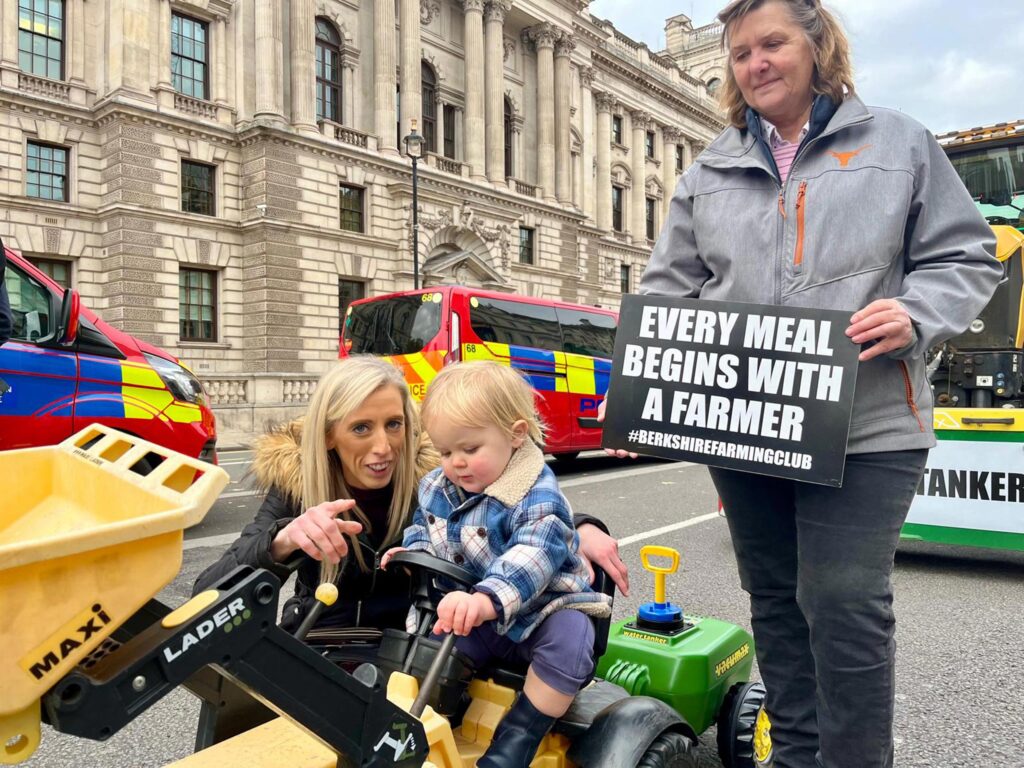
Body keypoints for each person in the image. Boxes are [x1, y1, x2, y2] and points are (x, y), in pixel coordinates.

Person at [606, 2, 1002, 767]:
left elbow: (969, 256)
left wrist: (916, 313)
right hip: (747, 428)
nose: (755, 63)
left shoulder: (901, 143)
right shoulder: (708, 170)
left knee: (844, 604)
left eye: (773, 44)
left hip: (870, 424)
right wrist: (642, 389)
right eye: (741, 51)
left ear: (817, 45)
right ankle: (795, 756)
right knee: (779, 605)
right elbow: (663, 293)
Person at [194, 355, 627, 637]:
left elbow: (519, 502)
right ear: (329, 436)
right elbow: (205, 592)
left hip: (416, 645)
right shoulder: (298, 485)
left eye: (394, 424)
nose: (383, 447)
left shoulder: (437, 478)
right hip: (320, 643)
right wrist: (283, 540)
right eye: (361, 428)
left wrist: (580, 526)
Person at [382, 361, 611, 768]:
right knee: (432, 644)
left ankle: (521, 732)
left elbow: (533, 557)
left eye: (470, 450)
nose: (456, 463)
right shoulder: (438, 484)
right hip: (480, 612)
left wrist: (486, 598)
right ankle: (438, 715)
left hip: (543, 609)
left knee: (571, 644)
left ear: (516, 434)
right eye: (446, 451)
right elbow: (424, 525)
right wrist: (410, 552)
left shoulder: (538, 495)